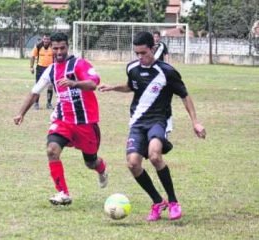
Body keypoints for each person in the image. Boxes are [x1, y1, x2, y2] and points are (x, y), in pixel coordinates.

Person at [98, 31, 206, 221]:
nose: (140, 57)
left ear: (153, 49)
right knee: (132, 163)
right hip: (137, 122)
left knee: (155, 155)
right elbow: (132, 86)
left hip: (159, 120)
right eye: (137, 54)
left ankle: (173, 202)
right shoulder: (132, 68)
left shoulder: (167, 71)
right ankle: (157, 201)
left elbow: (184, 95)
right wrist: (114, 87)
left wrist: (195, 122)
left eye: (144, 53)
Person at [14, 32, 108, 205]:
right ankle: (63, 192)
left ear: (67, 47)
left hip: (85, 123)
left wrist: (74, 83)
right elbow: (35, 92)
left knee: (91, 162)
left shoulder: (79, 64)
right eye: (55, 48)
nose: (58, 52)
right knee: (51, 150)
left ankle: (101, 169)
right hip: (63, 120)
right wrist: (21, 113)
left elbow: (92, 84)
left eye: (62, 48)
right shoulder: (51, 70)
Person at [30, 33, 54, 110]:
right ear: (42, 39)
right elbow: (33, 56)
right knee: (38, 86)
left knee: (50, 86)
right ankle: (36, 103)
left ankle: (49, 104)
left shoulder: (53, 46)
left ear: (50, 40)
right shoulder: (38, 46)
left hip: (50, 68)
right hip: (40, 68)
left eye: (48, 39)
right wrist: (31, 67)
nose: (46, 40)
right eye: (45, 39)